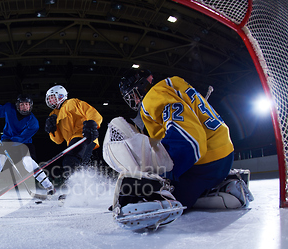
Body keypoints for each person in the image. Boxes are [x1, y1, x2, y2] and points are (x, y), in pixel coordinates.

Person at [103, 69, 252, 229]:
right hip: (221, 157)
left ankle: (154, 200)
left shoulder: (153, 97)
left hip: (203, 163)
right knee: (189, 191)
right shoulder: (173, 85)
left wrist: (165, 178)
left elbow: (191, 141)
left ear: (141, 86)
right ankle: (223, 188)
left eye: (132, 95)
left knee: (153, 194)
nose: (133, 100)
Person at [0, 94, 55, 198]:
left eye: (27, 104)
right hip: (6, 142)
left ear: (31, 106)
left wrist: (8, 143)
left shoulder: (34, 122)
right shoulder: (9, 108)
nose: (25, 107)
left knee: (28, 163)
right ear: (17, 105)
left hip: (24, 144)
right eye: (22, 104)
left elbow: (22, 138)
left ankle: (49, 186)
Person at [43, 85, 103, 181]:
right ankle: (87, 188)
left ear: (61, 96)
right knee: (80, 165)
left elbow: (92, 112)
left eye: (52, 98)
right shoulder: (53, 114)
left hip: (84, 136)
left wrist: (92, 124)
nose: (50, 101)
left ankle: (77, 187)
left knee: (70, 160)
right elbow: (58, 140)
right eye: (49, 99)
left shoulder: (71, 103)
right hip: (73, 141)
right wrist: (52, 130)